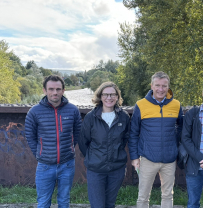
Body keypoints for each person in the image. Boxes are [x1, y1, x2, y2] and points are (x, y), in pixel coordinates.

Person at [25, 75, 82, 208]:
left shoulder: (73, 110)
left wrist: (67, 150)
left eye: (58, 89)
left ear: (63, 90)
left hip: (67, 165)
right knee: (44, 202)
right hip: (45, 166)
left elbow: (77, 134)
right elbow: (30, 137)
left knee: (64, 201)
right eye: (51, 89)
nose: (54, 92)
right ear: (44, 90)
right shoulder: (34, 112)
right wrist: (42, 154)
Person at [129, 71, 183, 208]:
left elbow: (181, 128)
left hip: (169, 159)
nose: (161, 89)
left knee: (168, 195)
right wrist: (135, 157)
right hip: (147, 158)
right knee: (143, 196)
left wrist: (175, 146)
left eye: (164, 86)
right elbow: (133, 133)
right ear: (152, 86)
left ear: (168, 87)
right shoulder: (141, 105)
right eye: (157, 85)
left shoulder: (176, 105)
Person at [78, 81, 130, 208]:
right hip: (96, 170)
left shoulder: (124, 117)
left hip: (116, 169)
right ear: (100, 97)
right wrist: (93, 157)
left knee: (110, 204)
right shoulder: (91, 117)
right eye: (105, 94)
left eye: (112, 94)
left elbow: (124, 140)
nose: (109, 98)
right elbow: (83, 142)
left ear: (117, 97)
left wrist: (115, 154)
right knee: (97, 205)